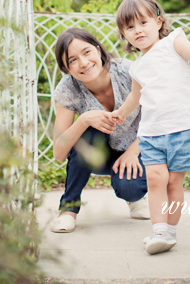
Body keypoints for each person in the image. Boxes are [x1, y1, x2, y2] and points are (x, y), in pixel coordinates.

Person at [110, 0, 190, 255]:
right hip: (152, 133)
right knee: (155, 179)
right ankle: (159, 231)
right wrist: (120, 113)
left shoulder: (174, 42)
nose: (138, 30)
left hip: (183, 128)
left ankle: (169, 232)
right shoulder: (136, 67)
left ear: (159, 21)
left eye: (143, 22)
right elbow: (135, 97)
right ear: (124, 34)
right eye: (130, 27)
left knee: (174, 183)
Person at [50, 28, 150, 233]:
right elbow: (59, 153)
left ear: (98, 50)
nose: (84, 63)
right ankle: (68, 209)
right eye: (73, 60)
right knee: (88, 131)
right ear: (66, 68)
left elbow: (159, 117)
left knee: (129, 188)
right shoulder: (67, 89)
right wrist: (84, 120)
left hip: (138, 149)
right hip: (100, 154)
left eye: (86, 52)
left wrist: (132, 152)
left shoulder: (127, 71)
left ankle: (136, 198)